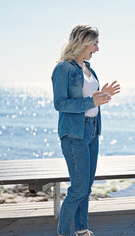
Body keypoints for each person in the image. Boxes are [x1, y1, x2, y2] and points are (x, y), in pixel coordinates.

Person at [52, 24, 120, 236]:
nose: (97, 49)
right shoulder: (63, 68)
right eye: (95, 43)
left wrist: (101, 96)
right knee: (79, 187)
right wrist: (91, 100)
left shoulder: (89, 69)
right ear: (83, 41)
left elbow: (91, 101)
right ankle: (63, 232)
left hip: (92, 131)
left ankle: (82, 230)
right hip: (74, 133)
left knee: (86, 187)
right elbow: (60, 104)